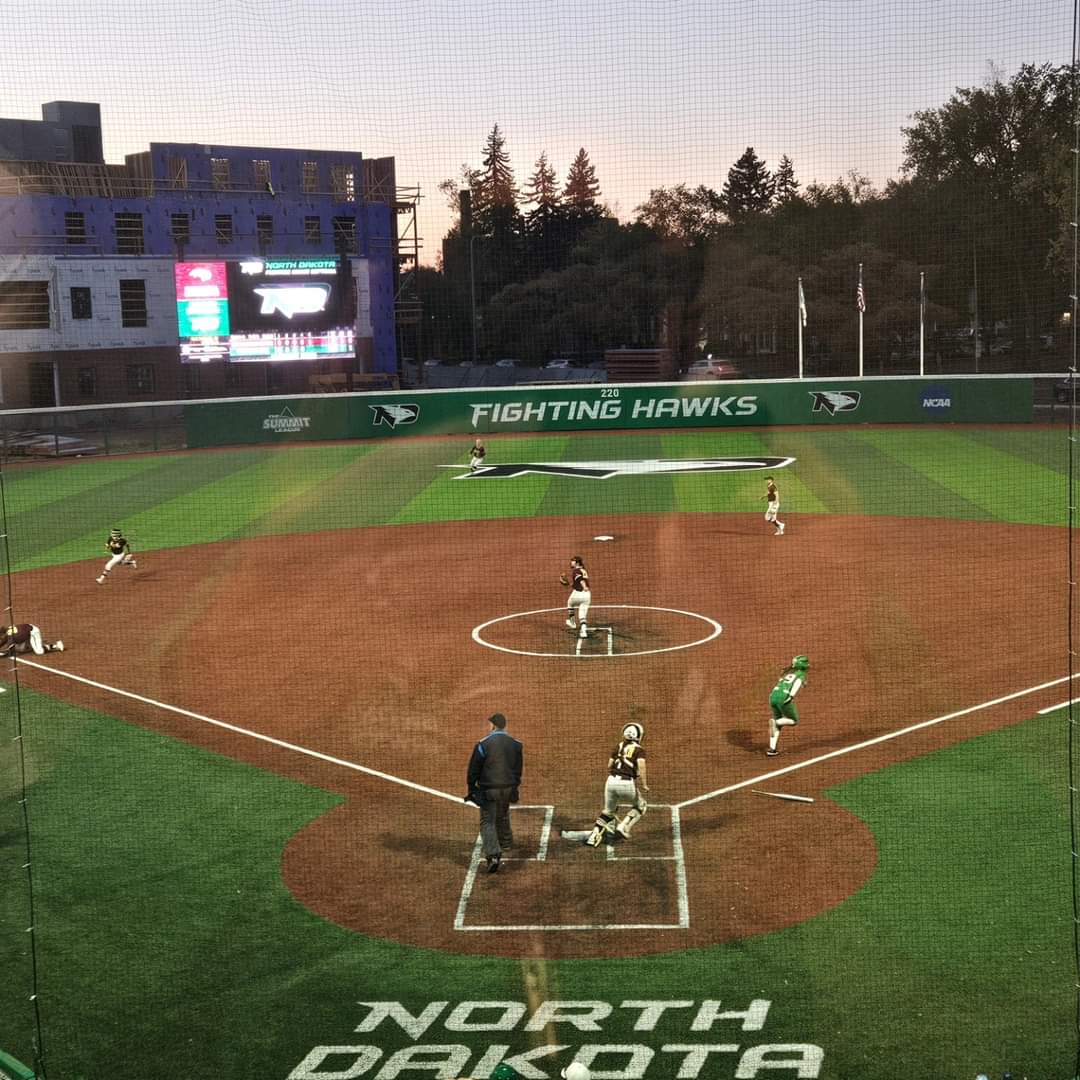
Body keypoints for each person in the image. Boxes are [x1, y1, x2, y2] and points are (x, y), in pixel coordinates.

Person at [465, 712, 523, 874]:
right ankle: (506, 842)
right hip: (508, 788)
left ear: (493, 725)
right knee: (503, 814)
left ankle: (493, 854)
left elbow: (473, 769)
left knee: (487, 821)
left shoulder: (483, 744)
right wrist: (515, 787)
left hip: (489, 790)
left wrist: (472, 788)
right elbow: (518, 769)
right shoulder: (516, 744)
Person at [584, 721, 649, 846]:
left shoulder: (617, 747)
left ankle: (593, 836)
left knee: (608, 811)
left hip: (610, 782)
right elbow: (641, 767)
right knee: (641, 806)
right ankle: (623, 827)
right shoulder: (639, 750)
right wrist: (644, 784)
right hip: (626, 783)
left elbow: (610, 765)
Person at [767, 655, 809, 756]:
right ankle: (776, 722)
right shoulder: (801, 674)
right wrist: (791, 696)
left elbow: (781, 681)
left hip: (773, 696)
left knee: (779, 724)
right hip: (783, 698)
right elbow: (797, 684)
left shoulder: (788, 673)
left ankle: (772, 749)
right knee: (793, 721)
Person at [560, 556, 591, 640]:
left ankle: (572, 622)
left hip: (579, 593)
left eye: (572, 561)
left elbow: (581, 580)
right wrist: (568, 583)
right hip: (587, 595)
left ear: (577, 563)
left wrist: (584, 586)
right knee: (582, 615)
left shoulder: (576, 571)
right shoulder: (583, 570)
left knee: (570, 603)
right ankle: (584, 632)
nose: (571, 563)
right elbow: (576, 584)